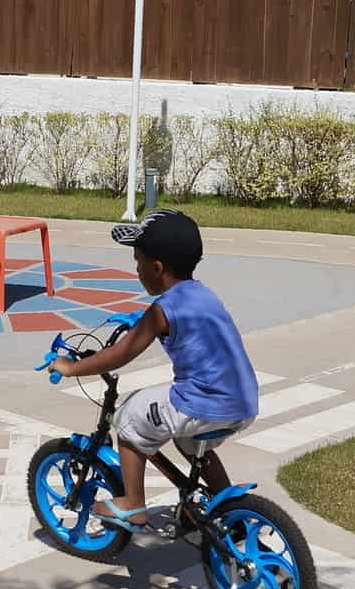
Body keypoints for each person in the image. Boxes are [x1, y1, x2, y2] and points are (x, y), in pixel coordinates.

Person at [51, 208, 259, 532]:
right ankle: (226, 506)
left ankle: (133, 505)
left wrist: (72, 367)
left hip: (202, 402)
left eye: (138, 261)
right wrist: (143, 320)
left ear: (157, 267)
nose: (136, 270)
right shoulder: (202, 294)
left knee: (130, 415)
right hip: (242, 401)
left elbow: (121, 353)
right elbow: (189, 324)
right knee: (187, 443)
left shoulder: (162, 309)